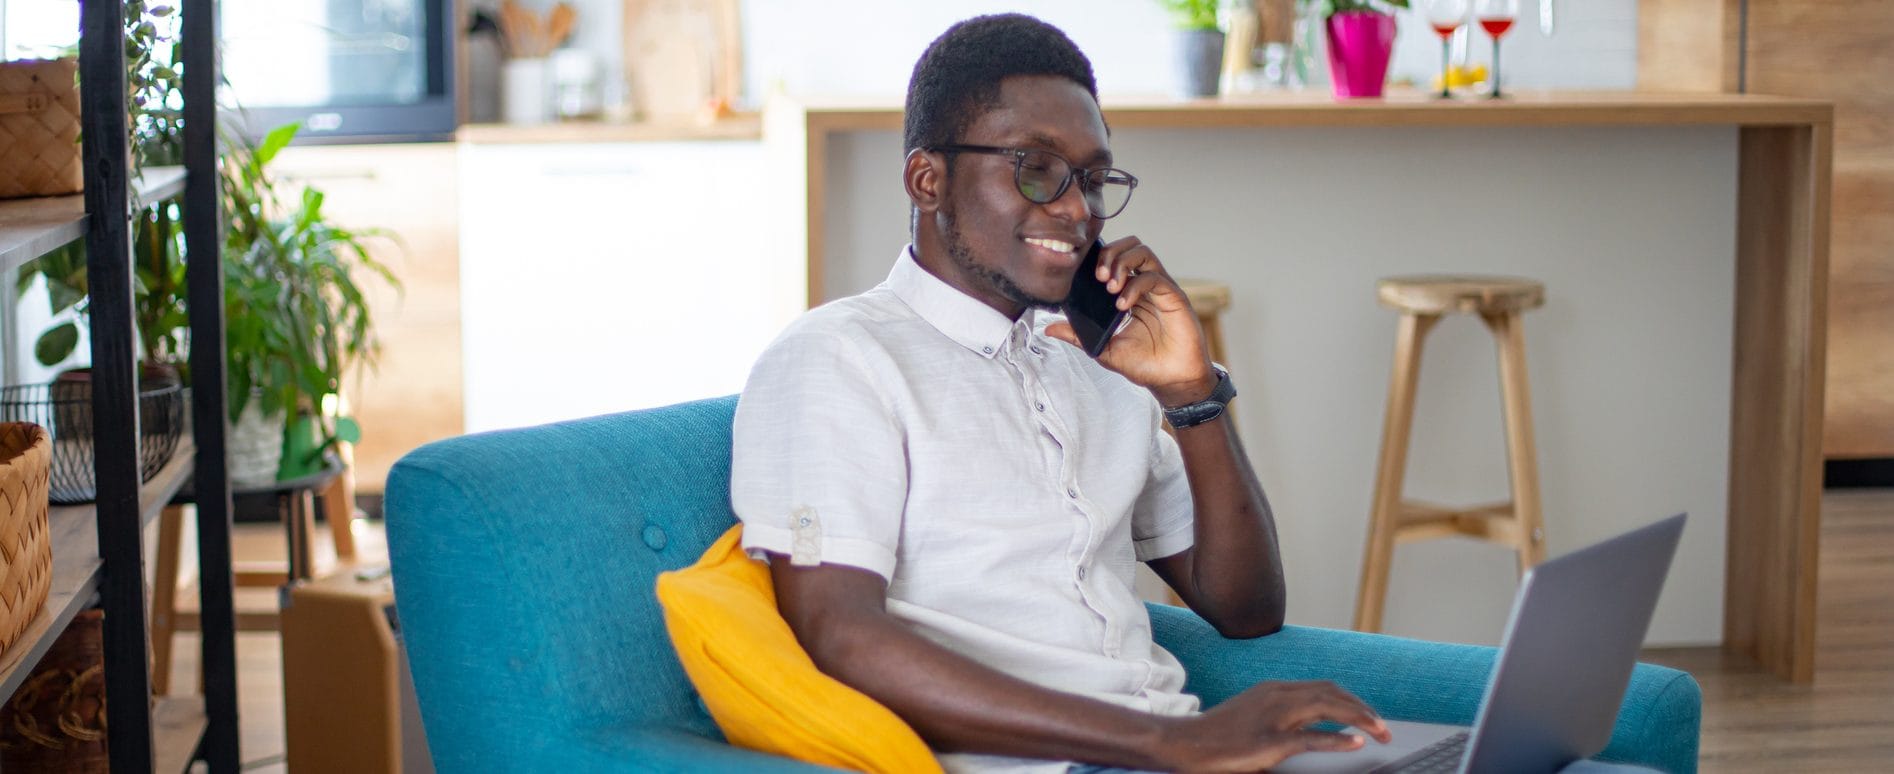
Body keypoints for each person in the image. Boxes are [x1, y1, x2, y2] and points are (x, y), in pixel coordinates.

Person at [731, 14, 1391, 773]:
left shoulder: (1095, 368)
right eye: (1036, 168)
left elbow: (1247, 610)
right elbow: (839, 638)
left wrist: (1192, 394)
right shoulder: (840, 358)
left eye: (1093, 178)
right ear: (927, 179)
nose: (1078, 209)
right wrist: (1174, 742)